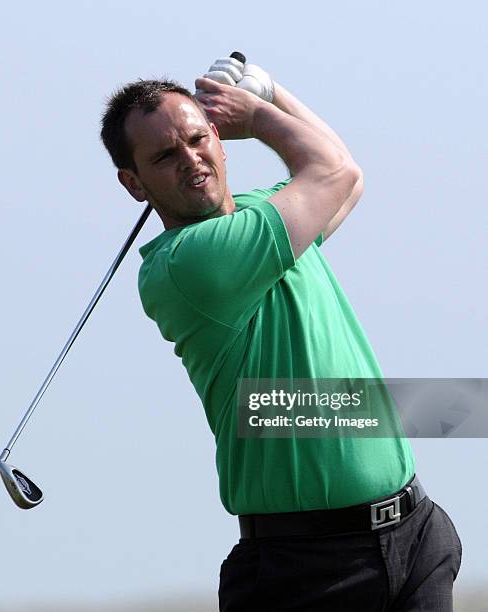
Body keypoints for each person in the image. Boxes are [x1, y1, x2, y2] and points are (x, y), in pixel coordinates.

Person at [100, 55, 462, 611]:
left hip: (414, 535)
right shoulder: (188, 264)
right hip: (307, 567)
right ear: (133, 183)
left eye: (198, 140)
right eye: (165, 156)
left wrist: (268, 90)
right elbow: (330, 170)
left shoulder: (262, 215)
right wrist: (259, 113)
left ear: (217, 140)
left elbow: (348, 175)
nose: (191, 160)